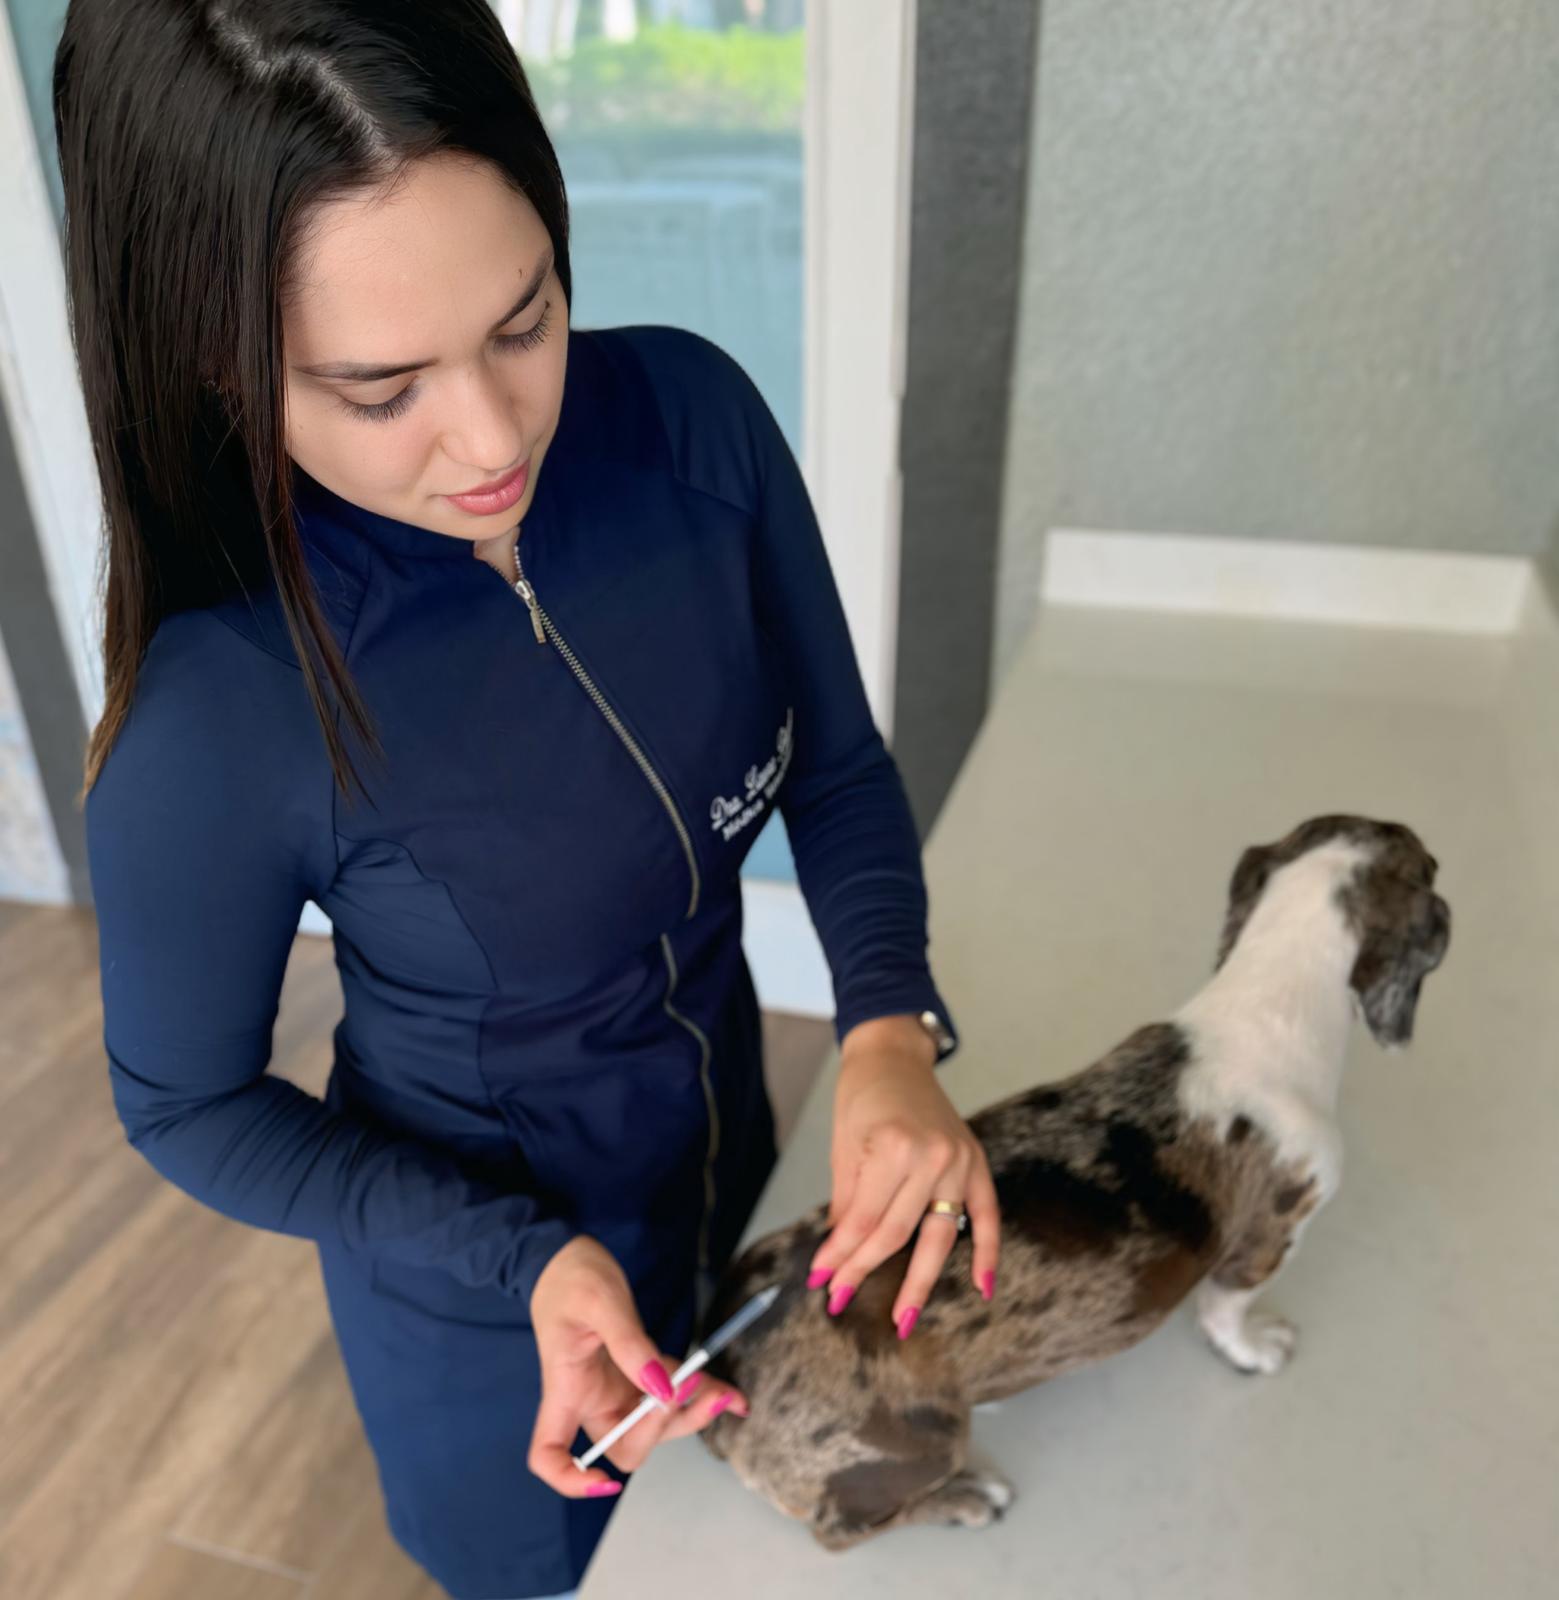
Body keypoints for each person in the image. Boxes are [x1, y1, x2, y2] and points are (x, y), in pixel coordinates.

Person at [64, 2, 1000, 1596]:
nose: (495, 438)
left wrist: (887, 1035)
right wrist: (524, 1257)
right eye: (381, 391)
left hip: (739, 1175)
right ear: (220, 364)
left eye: (525, 319)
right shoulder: (218, 714)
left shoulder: (692, 424)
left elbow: (835, 763)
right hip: (492, 1313)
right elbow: (186, 1105)